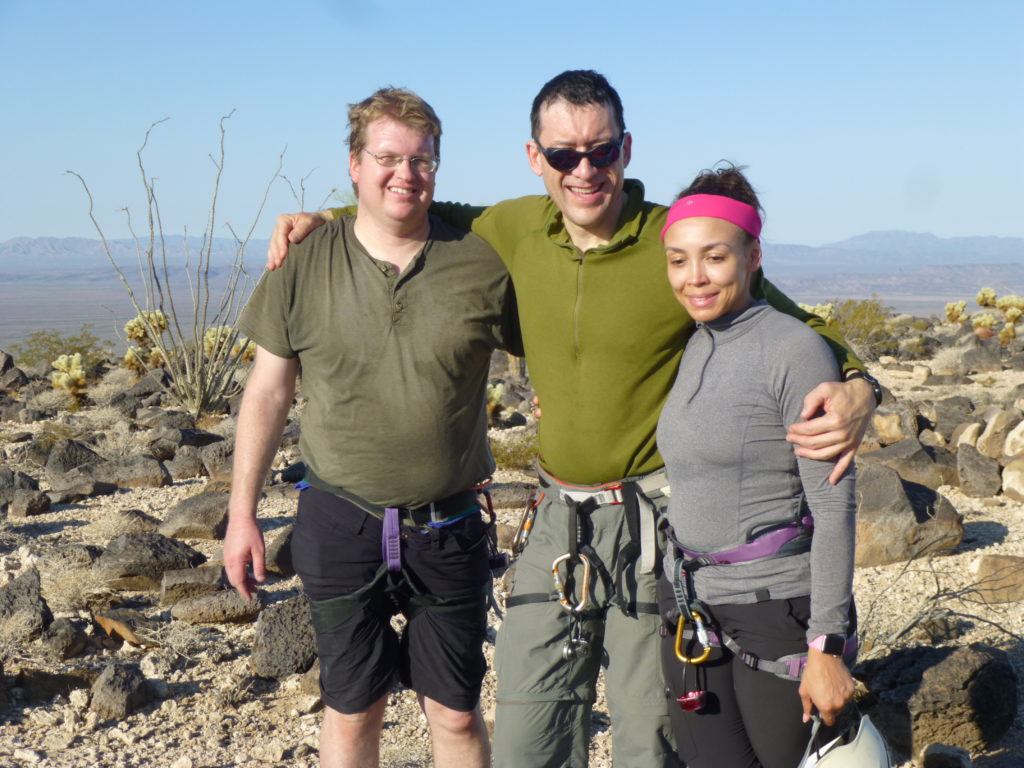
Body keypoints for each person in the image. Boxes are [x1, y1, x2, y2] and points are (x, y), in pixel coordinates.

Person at [265, 70, 880, 768]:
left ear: (626, 149)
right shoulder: (513, 227)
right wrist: (327, 220)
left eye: (602, 151)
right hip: (556, 513)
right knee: (528, 731)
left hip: (655, 520)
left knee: (649, 734)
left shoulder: (677, 242)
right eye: (563, 154)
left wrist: (860, 384)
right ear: (536, 158)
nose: (584, 170)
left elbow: (791, 321)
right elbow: (408, 207)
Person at [223, 87, 520, 768]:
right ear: (354, 164)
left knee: (454, 712)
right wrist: (241, 515)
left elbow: (557, 354)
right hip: (338, 519)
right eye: (387, 158)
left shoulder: (480, 262)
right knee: (351, 712)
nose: (405, 175)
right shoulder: (301, 261)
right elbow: (267, 391)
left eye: (422, 160)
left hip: (448, 526)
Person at [656, 165, 857, 768]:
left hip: (776, 613)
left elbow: (834, 502)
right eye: (677, 259)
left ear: (753, 255)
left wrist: (828, 646)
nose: (694, 277)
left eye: (714, 257)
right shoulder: (694, 342)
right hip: (691, 606)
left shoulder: (792, 347)